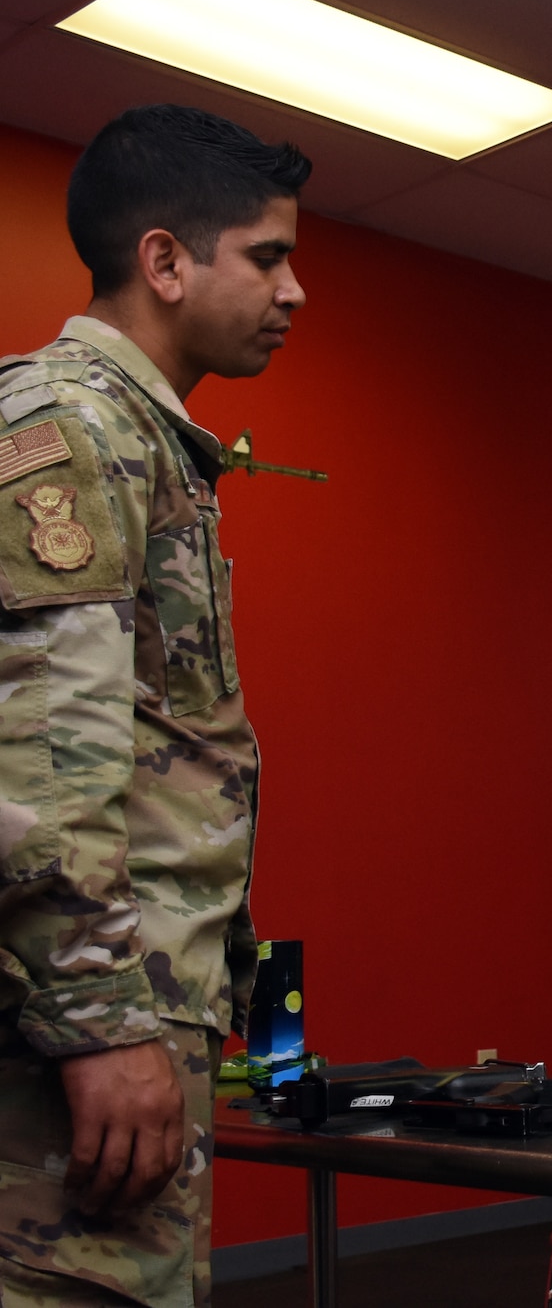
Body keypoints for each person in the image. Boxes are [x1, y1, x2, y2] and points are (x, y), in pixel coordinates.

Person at [0, 105, 308, 1307]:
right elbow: (40, 759)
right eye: (269, 256)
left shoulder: (139, 436)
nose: (296, 292)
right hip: (80, 1028)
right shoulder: (71, 426)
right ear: (167, 261)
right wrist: (101, 1026)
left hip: (135, 1005)